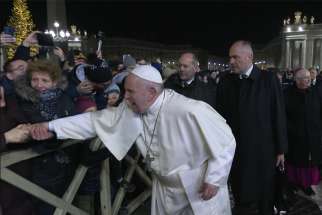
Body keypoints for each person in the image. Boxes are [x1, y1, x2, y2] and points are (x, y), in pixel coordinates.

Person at [30, 65, 236, 215]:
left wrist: (214, 179)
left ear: (152, 92)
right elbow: (94, 121)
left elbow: (226, 141)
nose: (125, 97)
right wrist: (52, 127)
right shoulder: (131, 108)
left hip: (199, 190)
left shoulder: (191, 109)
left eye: (130, 92)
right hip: (164, 189)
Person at [216, 40, 288, 215]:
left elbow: (278, 114)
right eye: (229, 57)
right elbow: (219, 117)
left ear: (249, 57)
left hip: (263, 150)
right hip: (236, 149)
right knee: (240, 190)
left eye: (235, 57)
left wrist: (281, 149)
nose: (231, 61)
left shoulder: (268, 79)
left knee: (265, 194)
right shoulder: (226, 81)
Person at [284, 68, 322, 196]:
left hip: (313, 135)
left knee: (310, 163)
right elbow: (284, 116)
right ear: (296, 79)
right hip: (295, 136)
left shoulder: (315, 92)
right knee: (295, 162)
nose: (307, 80)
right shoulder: (287, 93)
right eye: (303, 78)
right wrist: (292, 129)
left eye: (308, 78)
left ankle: (306, 184)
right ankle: (293, 183)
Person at [0, 86, 34, 215]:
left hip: (23, 181)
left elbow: (25, 125)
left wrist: (27, 129)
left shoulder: (12, 100)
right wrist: (6, 138)